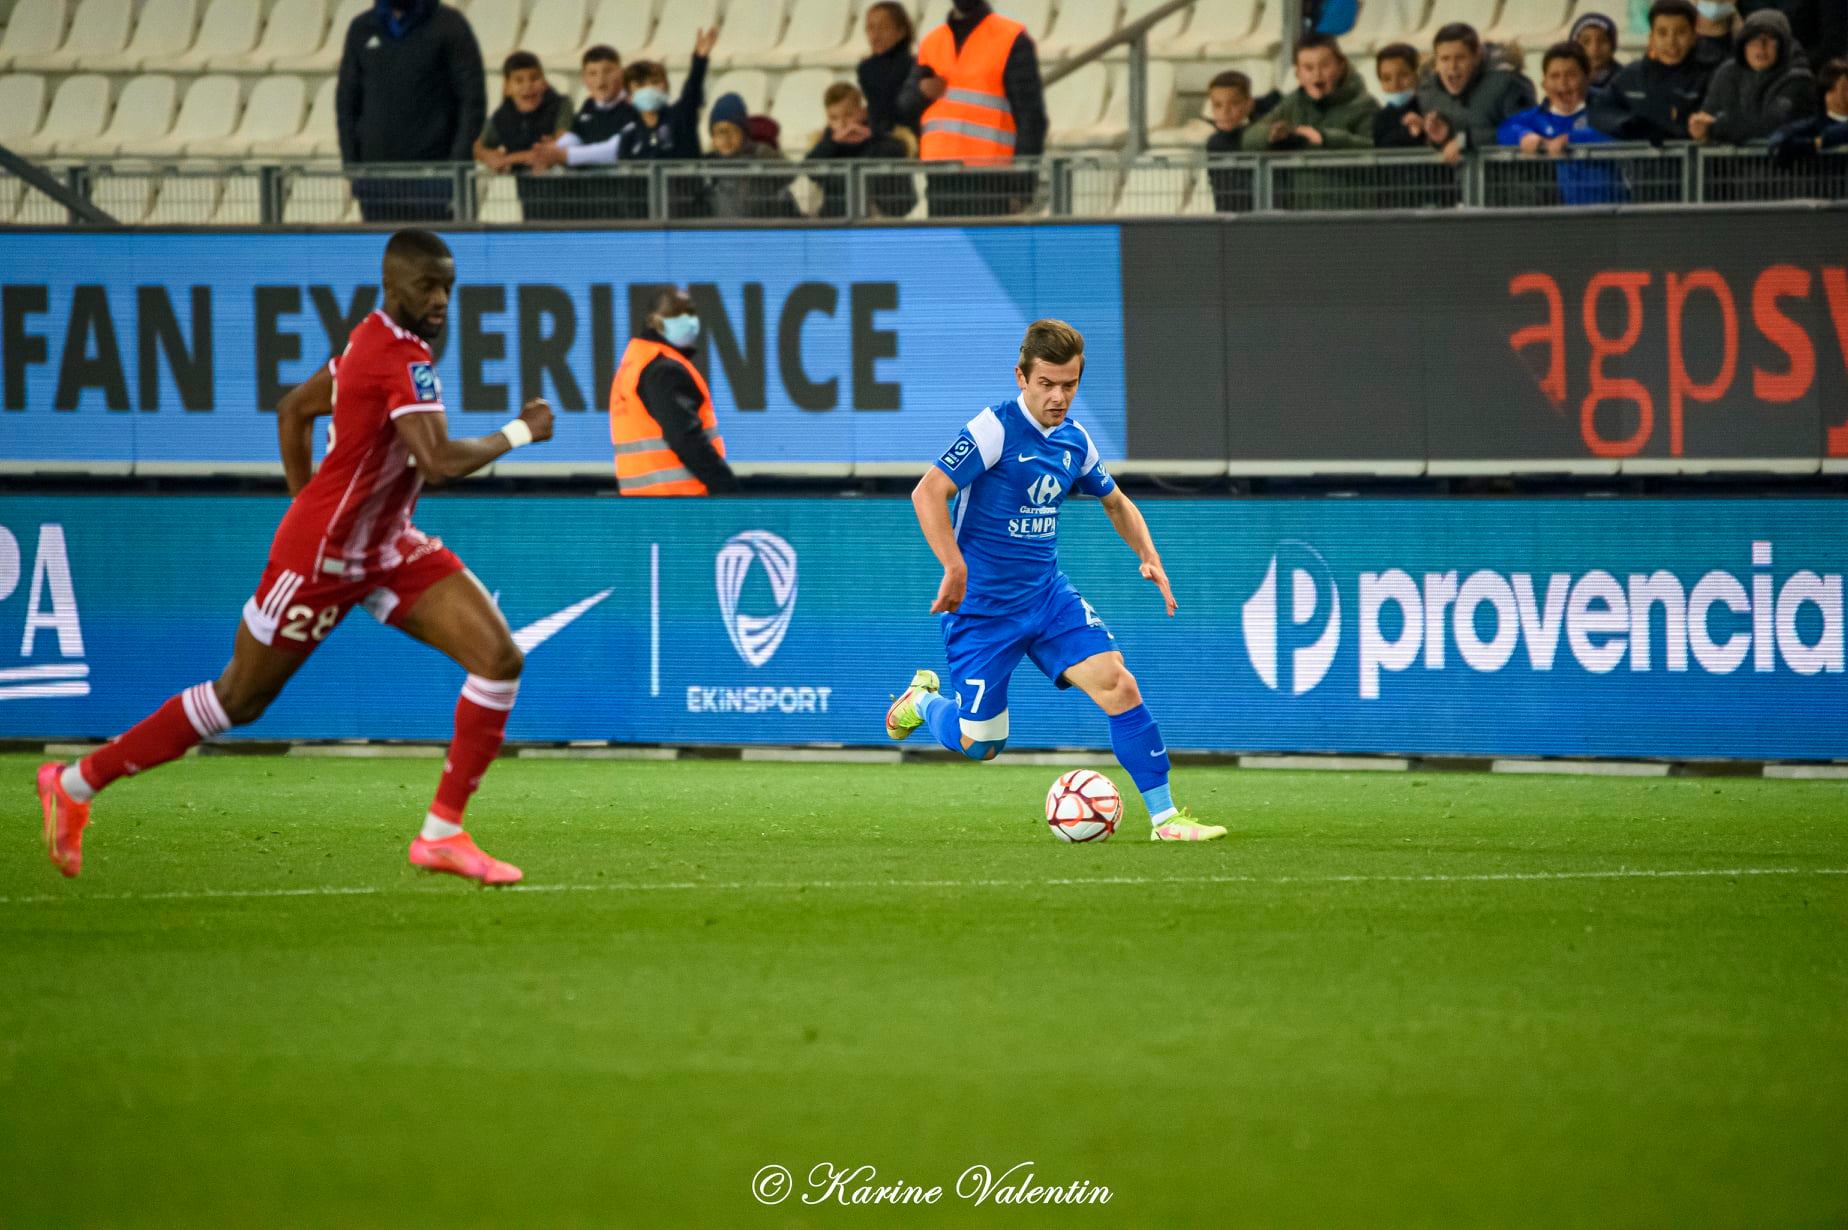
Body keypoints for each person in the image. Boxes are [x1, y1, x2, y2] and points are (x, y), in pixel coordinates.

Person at [35, 231, 554, 886]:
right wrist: (521, 430)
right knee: (237, 701)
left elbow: (294, 410)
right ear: (394, 287)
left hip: (388, 547)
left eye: (449, 285)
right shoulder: (398, 357)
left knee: (500, 659)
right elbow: (439, 462)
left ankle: (442, 833)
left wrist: (312, 497)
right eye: (429, 286)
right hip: (320, 562)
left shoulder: (370, 342)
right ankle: (75, 782)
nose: (442, 298)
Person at [883, 320, 1226, 843]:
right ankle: (921, 702)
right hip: (983, 611)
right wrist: (954, 566)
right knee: (982, 744)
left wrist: (1148, 554)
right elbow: (928, 492)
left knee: (1120, 684)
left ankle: (1165, 819)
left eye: (1069, 385)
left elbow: (1116, 501)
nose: (1058, 396)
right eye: (1047, 383)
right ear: (1021, 377)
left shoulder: (1074, 441)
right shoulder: (993, 429)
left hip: (1047, 599)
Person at [336, 0, 485, 222]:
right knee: (383, 252)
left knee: (430, 253)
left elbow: (472, 99)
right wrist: (352, 166)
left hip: (435, 176)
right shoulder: (361, 27)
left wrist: (457, 166)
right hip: (376, 179)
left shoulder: (449, 25)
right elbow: (347, 101)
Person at [899, 0, 1048, 217]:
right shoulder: (933, 42)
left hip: (992, 181)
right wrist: (921, 92)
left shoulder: (1011, 38)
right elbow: (905, 106)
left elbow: (1031, 119)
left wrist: (1021, 188)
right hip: (941, 179)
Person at [608, 289, 735, 497]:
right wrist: (726, 487)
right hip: (681, 502)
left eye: (691, 312)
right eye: (677, 312)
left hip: (643, 500)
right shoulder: (663, 369)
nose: (690, 320)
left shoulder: (634, 364)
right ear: (655, 321)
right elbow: (685, 437)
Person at [1498, 42, 1623, 204]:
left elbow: (1621, 129)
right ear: (1544, 83)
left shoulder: (1605, 107)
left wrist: (1570, 139)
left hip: (1608, 214)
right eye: (1554, 76)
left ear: (1588, 77)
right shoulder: (1537, 118)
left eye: (1571, 75)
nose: (1563, 83)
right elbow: (1505, 129)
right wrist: (1524, 136)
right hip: (1555, 220)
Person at [1592, 0, 1713, 141]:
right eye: (1662, 33)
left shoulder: (1710, 76)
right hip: (1641, 161)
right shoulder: (1630, 75)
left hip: (1693, 161)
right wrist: (1634, 125)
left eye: (1681, 32)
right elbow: (1598, 111)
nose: (1671, 41)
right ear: (1651, 38)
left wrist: (1703, 131)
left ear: (1694, 37)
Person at [1690, 9, 1818, 142]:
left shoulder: (1800, 79)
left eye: (1769, 39)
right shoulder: (1726, 73)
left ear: (1783, 44)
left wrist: (1714, 129)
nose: (1760, 47)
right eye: (1753, 40)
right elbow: (1706, 117)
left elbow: (1771, 125)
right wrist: (1699, 126)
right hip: (1730, 162)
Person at [1418, 23, 1536, 166]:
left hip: (1514, 183)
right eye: (1445, 59)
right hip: (1467, 186)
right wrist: (1440, 139)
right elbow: (1447, 147)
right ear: (1436, 61)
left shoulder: (1507, 84)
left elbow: (1525, 131)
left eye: (1460, 58)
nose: (1452, 67)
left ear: (1477, 56)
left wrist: (1466, 141)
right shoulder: (1430, 93)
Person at [473, 51, 573, 219]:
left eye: (534, 78)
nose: (528, 86)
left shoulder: (561, 105)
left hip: (568, 198)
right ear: (507, 87)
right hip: (530, 200)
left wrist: (506, 160)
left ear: (544, 82)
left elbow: (556, 147)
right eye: (519, 80)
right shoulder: (502, 117)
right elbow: (477, 147)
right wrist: (487, 156)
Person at [1241, 34, 1379, 151]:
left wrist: (1325, 138)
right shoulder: (1292, 103)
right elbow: (1248, 139)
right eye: (1308, 68)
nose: (1317, 74)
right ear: (1298, 73)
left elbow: (1376, 148)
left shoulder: (1364, 104)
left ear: (1341, 67)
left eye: (1325, 65)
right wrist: (1270, 134)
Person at [808, 82, 918, 219]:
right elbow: (810, 170)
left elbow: (897, 151)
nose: (842, 124)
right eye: (834, 118)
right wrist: (831, 143)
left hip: (881, 217)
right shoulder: (825, 142)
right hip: (837, 220)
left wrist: (872, 137)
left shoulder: (881, 134)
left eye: (848, 115)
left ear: (862, 111)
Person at [704, 93, 799, 219]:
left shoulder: (760, 153)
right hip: (723, 235)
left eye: (732, 130)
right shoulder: (707, 163)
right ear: (713, 137)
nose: (726, 138)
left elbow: (790, 174)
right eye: (720, 132)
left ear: (744, 132)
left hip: (760, 233)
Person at [859, 1, 917, 138]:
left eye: (883, 28)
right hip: (879, 140)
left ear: (901, 31)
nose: (875, 35)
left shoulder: (915, 67)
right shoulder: (866, 68)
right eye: (870, 28)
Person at [1768, 55, 1848, 155]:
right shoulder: (1810, 126)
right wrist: (1820, 143)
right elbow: (1777, 144)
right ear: (1828, 93)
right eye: (1845, 88)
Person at [1371, 42, 1426, 147]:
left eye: (1403, 75)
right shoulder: (1380, 118)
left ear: (1416, 75)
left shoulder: (1430, 109)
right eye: (1386, 79)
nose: (1395, 84)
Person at [1572, 12, 1625, 87]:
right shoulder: (1562, 81)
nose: (1594, 48)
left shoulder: (1626, 80)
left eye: (1603, 40)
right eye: (1585, 41)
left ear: (1613, 45)